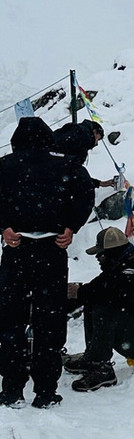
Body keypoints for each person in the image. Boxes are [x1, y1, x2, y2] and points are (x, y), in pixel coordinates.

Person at [0, 116, 94, 408]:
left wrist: (4, 227)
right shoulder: (66, 166)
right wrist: (71, 226)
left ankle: (12, 388)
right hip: (51, 250)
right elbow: (86, 194)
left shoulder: (5, 166)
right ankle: (45, 390)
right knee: (49, 320)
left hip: (16, 248)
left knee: (11, 320)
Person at [64, 226, 134, 392]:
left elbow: (110, 293)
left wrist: (80, 292)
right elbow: (98, 288)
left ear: (110, 253)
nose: (98, 258)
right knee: (94, 301)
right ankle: (92, 358)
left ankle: (101, 368)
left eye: (101, 254)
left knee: (104, 307)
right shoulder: (120, 268)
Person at [53, 120, 117, 188]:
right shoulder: (85, 138)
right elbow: (75, 171)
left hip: (46, 162)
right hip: (55, 171)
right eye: (98, 139)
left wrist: (98, 183)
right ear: (94, 132)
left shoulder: (71, 128)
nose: (96, 143)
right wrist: (97, 183)